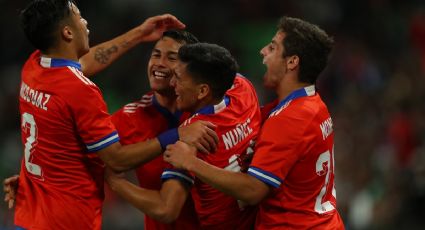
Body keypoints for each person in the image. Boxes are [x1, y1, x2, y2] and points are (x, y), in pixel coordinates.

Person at [9, 0, 217, 229]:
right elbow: (116, 159)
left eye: (171, 57)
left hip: (30, 213)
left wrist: (140, 33)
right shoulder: (86, 94)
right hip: (66, 220)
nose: (85, 21)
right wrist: (177, 134)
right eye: (78, 16)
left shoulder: (35, 66)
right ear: (67, 32)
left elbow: (81, 64)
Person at [163, 16, 345, 229]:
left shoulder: (289, 119)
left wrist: (190, 162)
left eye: (273, 47)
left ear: (292, 62)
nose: (263, 52)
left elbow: (253, 191)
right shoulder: (313, 104)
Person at [105, 43, 262, 229]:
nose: (172, 84)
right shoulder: (243, 89)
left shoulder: (191, 139)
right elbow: (223, 70)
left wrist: (117, 183)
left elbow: (166, 209)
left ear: (203, 91)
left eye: (179, 78)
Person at [109, 30, 201, 229]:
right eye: (156, 55)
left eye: (172, 58)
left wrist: (117, 184)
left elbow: (167, 209)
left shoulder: (206, 111)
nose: (159, 63)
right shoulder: (127, 118)